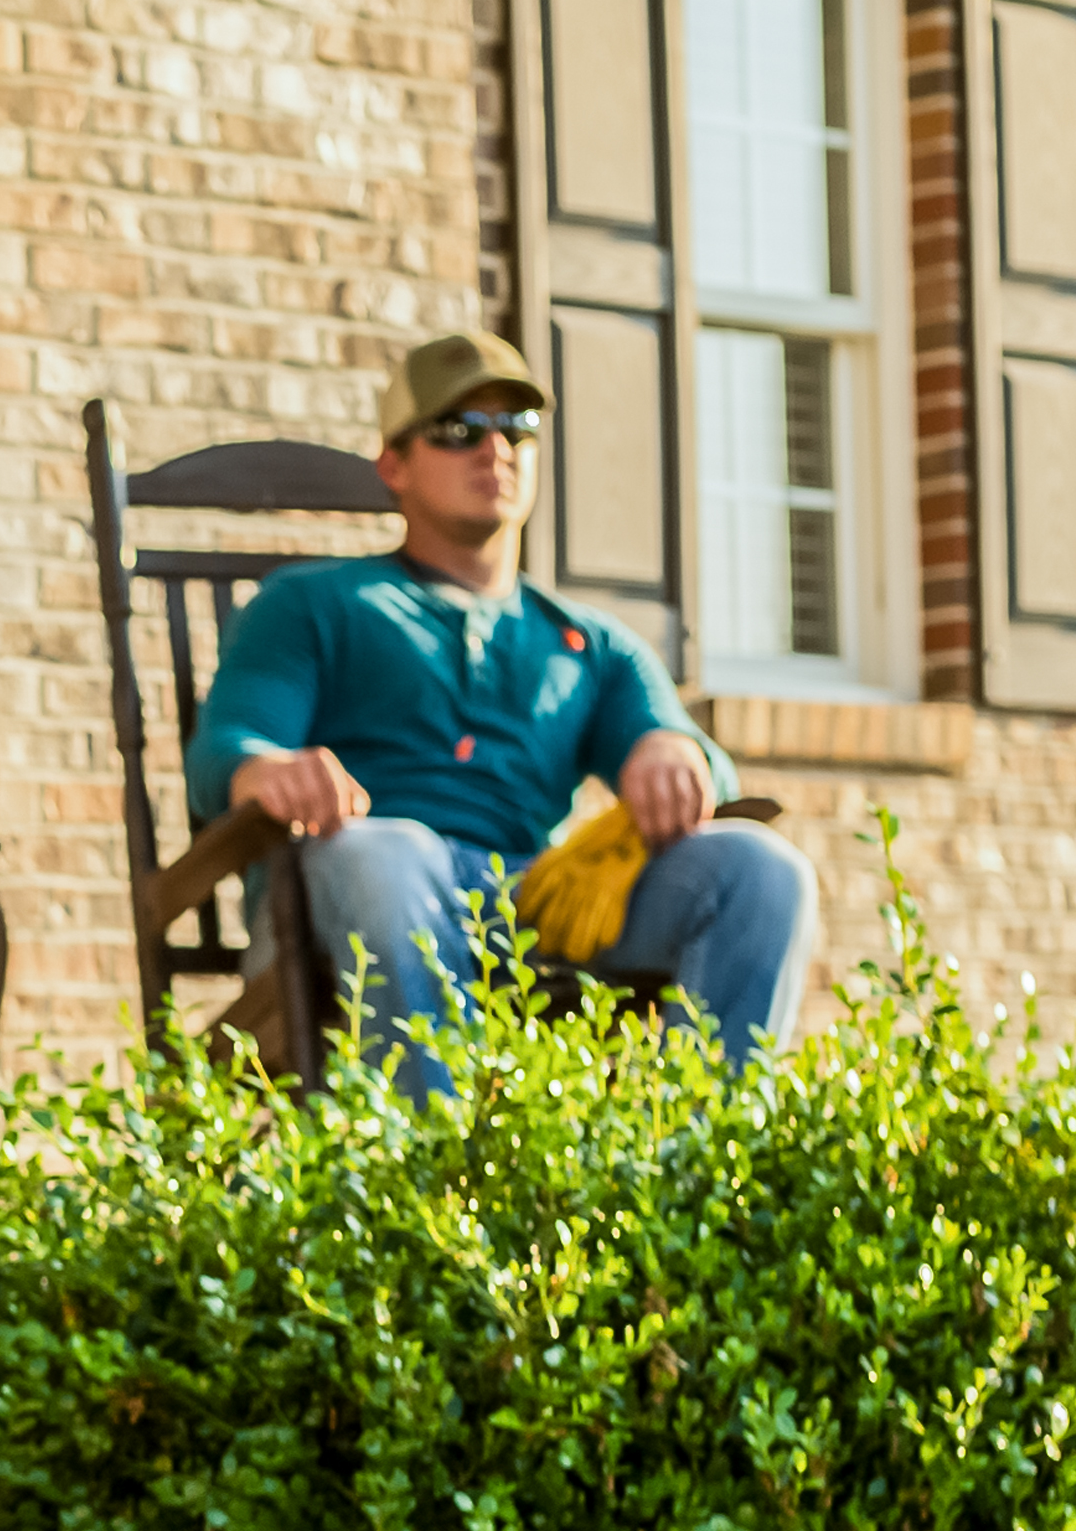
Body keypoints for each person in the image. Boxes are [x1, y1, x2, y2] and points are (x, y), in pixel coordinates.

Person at [183, 329, 815, 1087]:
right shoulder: (314, 604)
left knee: (761, 869)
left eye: (517, 428)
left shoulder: (587, 644)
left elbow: (685, 749)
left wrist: (673, 753)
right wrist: (272, 771)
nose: (495, 450)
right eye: (458, 431)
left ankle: (705, 1170)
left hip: (529, 907)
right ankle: (442, 1156)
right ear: (394, 464)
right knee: (382, 851)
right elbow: (225, 748)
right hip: (350, 895)